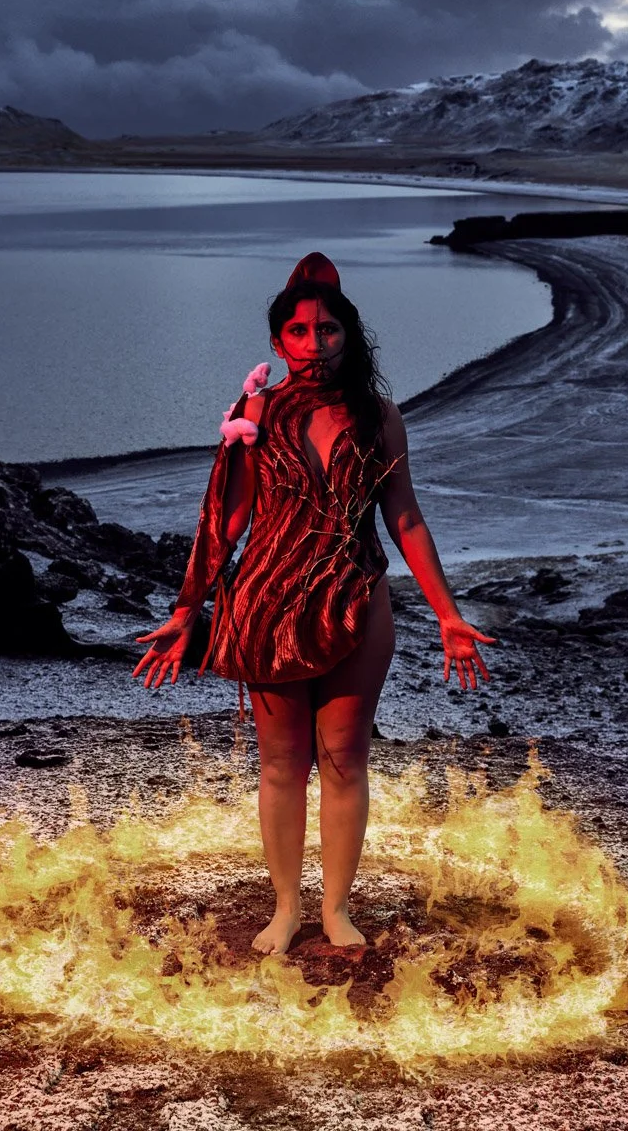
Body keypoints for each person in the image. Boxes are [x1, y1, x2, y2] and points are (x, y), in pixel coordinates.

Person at [134, 252, 495, 954]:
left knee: (344, 757)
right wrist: (188, 609)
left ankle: (334, 907)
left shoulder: (378, 416)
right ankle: (283, 908)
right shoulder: (253, 414)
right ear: (277, 342)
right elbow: (226, 518)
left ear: (349, 337)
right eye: (298, 332)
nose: (314, 344)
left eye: (328, 330)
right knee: (280, 763)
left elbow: (406, 518)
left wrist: (448, 615)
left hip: (357, 594)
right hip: (266, 603)